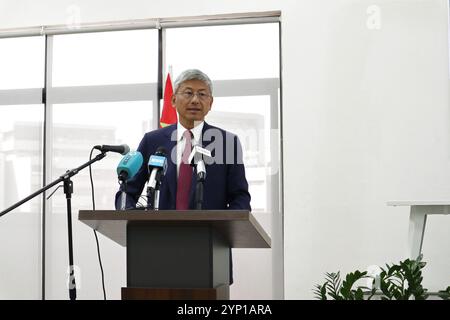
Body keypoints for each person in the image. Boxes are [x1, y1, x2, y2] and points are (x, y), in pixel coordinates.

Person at [114, 69, 251, 284]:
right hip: (155, 249)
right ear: (173, 99)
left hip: (209, 251)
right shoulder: (153, 141)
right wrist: (133, 218)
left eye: (202, 94)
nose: (195, 100)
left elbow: (240, 197)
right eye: (188, 93)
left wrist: (223, 226)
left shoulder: (227, 143)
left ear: (211, 102)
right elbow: (128, 191)